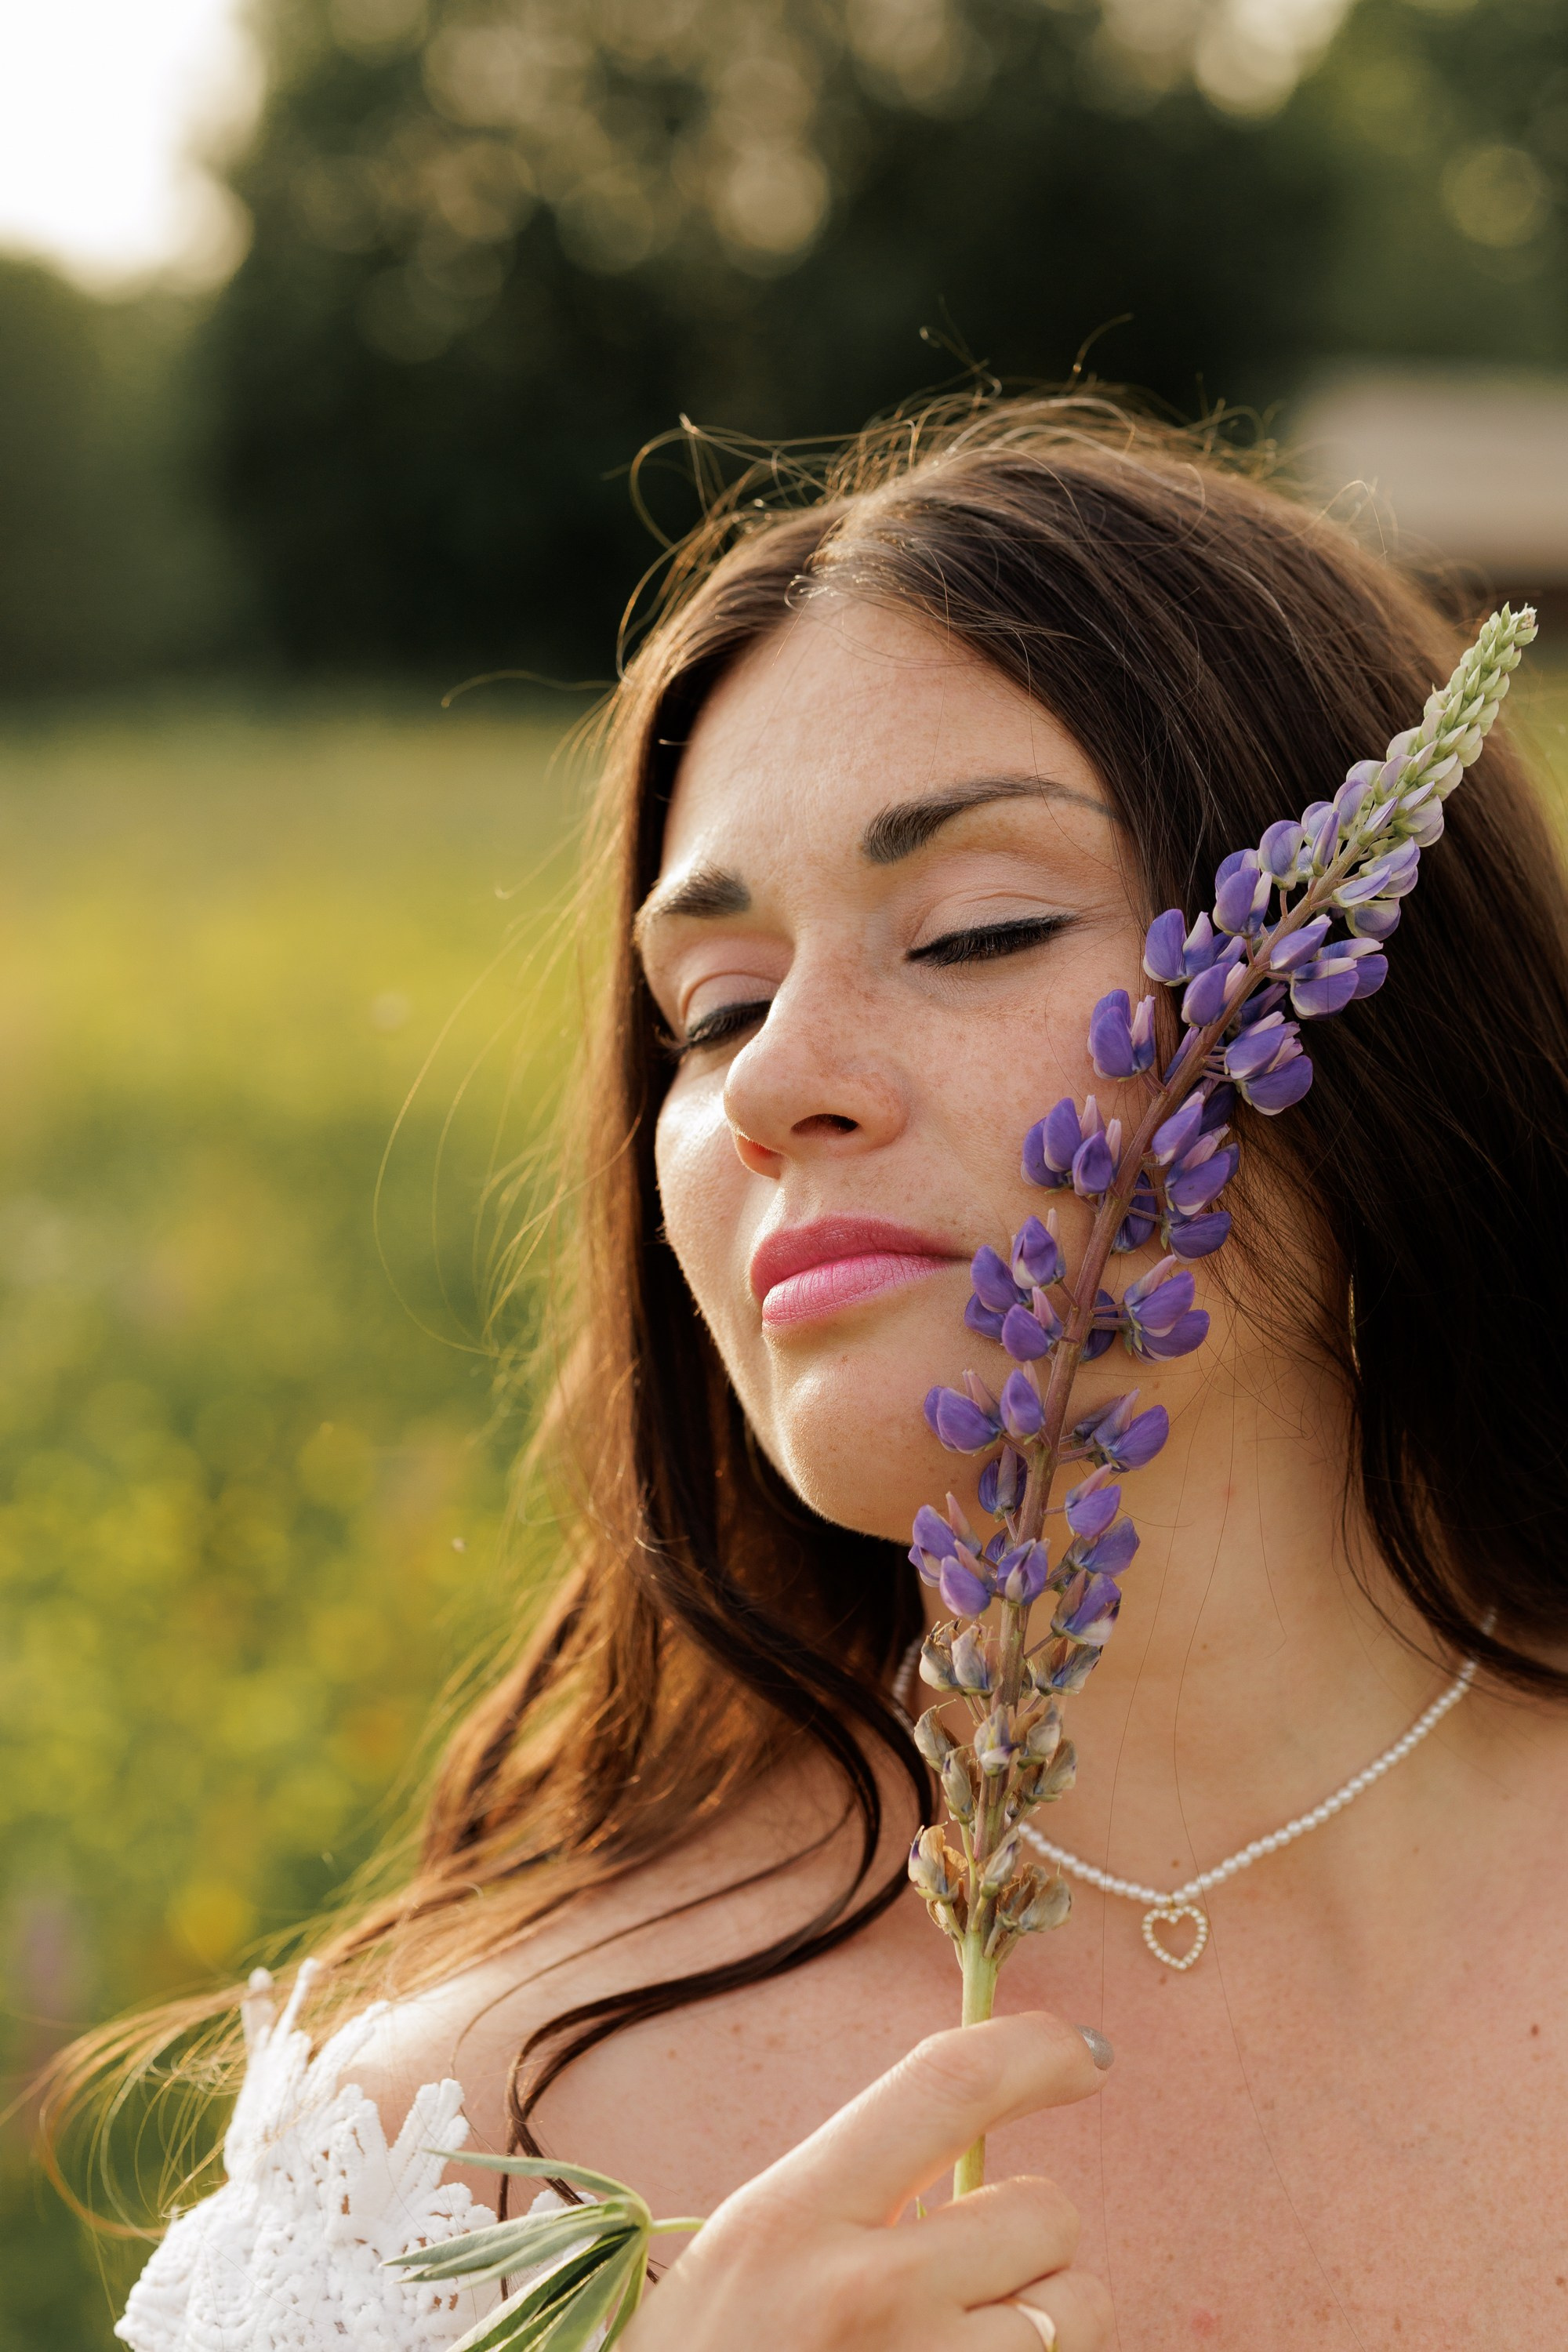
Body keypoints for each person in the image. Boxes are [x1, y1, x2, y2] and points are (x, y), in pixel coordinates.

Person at [65, 394, 1568, 2348]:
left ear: (1371, 1039)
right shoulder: (469, 2144)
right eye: (715, 1006)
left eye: (977, 928)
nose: (772, 1081)